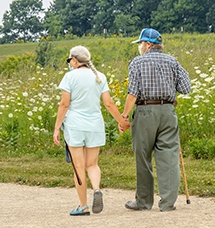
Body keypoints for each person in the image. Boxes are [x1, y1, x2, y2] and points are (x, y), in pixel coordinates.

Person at [120, 28, 191, 212]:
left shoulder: (137, 62)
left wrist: (125, 116)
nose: (140, 47)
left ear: (148, 44)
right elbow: (186, 87)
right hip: (168, 111)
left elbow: (133, 93)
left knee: (143, 157)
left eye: (141, 44)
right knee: (169, 156)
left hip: (145, 111)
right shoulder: (172, 61)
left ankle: (144, 202)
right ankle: (167, 203)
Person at [53, 45, 129, 216]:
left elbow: (64, 104)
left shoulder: (69, 77)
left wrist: (57, 127)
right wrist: (122, 122)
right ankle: (96, 189)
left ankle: (83, 205)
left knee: (78, 167)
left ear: (74, 60)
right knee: (92, 164)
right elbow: (108, 104)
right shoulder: (99, 76)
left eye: (69, 60)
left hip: (75, 125)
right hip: (95, 124)